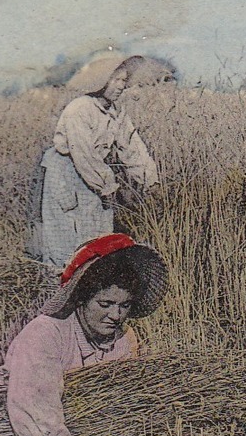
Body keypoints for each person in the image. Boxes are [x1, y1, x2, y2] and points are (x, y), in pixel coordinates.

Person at [0, 234, 168, 436]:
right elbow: (35, 400)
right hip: (18, 426)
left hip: (77, 430)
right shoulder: (47, 333)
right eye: (105, 304)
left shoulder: (124, 339)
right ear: (81, 299)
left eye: (124, 306)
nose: (115, 315)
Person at [29, 55, 162, 275]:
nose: (121, 86)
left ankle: (88, 288)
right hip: (66, 174)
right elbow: (84, 155)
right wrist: (110, 188)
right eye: (116, 80)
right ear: (102, 80)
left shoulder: (116, 112)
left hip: (92, 175)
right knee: (65, 237)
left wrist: (151, 181)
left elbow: (132, 147)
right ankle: (56, 295)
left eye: (124, 80)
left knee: (96, 233)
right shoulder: (79, 109)